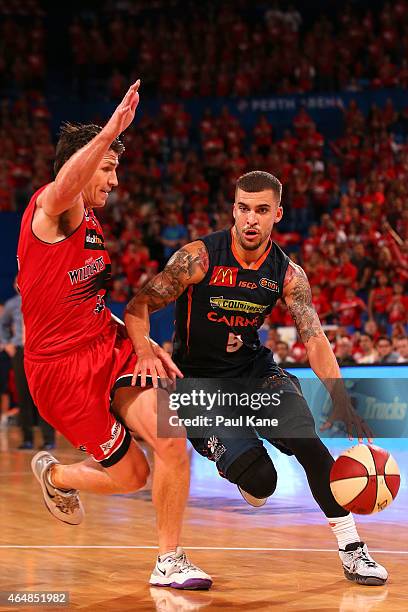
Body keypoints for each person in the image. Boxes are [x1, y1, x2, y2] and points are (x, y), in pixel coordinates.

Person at [125, 170, 388, 587]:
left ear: (277, 214)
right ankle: (236, 457)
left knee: (309, 444)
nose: (251, 219)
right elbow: (138, 306)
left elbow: (314, 336)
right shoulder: (199, 258)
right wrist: (143, 349)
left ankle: (352, 548)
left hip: (255, 374)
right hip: (199, 386)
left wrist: (340, 398)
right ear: (233, 210)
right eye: (243, 209)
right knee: (262, 480)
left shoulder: (287, 273)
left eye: (262, 210)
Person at [17, 80, 211, 590]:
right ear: (81, 163)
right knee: (132, 477)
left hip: (107, 344)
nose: (115, 179)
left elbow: (94, 304)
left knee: (172, 441)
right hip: (59, 374)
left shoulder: (95, 226)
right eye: (107, 167)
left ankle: (169, 559)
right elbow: (63, 185)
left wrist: (141, 344)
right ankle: (55, 476)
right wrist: (108, 132)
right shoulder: (47, 213)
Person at [0, 279, 55, 449]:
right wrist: (7, 344)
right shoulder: (12, 304)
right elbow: (2, 325)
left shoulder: (43, 300)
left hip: (40, 351)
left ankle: (48, 439)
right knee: (23, 395)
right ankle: (27, 439)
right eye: (18, 281)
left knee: (43, 396)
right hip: (20, 351)